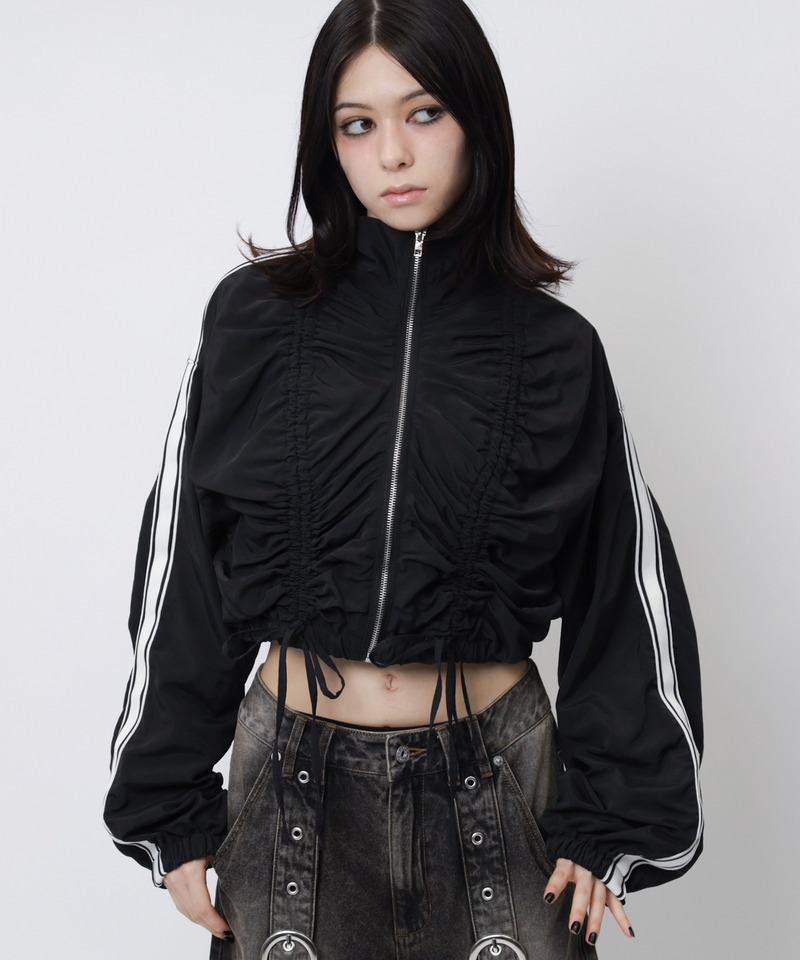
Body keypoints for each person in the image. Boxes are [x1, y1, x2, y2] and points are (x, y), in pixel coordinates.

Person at [104, 1, 703, 958]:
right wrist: (166, 803)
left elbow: (621, 589)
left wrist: (617, 820)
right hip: (291, 781)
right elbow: (186, 564)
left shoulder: (558, 351)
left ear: (477, 119)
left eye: (424, 113)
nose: (392, 153)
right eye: (358, 123)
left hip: (497, 777)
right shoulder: (252, 321)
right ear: (327, 142)